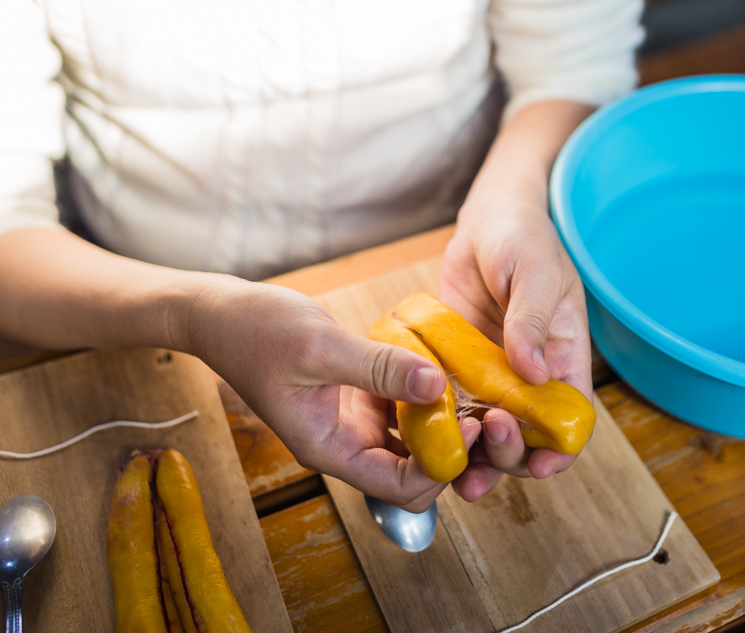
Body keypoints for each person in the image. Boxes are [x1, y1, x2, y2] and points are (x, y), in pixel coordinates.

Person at [0, 0, 644, 512]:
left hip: (443, 253)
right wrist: (187, 315)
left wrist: (512, 199)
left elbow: (573, 68)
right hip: (126, 301)